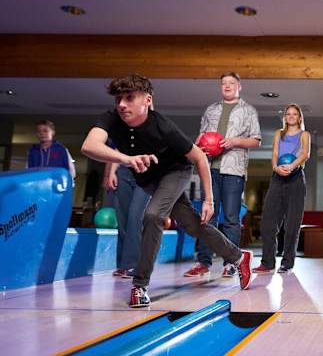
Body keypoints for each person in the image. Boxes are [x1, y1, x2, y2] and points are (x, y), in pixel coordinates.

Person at [81, 74, 252, 308]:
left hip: (175, 173)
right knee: (192, 225)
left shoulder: (162, 125)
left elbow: (200, 157)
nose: (121, 104)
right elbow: (89, 146)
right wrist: (126, 159)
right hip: (149, 180)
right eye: (118, 99)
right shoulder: (111, 118)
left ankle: (139, 285)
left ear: (147, 100)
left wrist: (209, 200)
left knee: (153, 215)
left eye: (129, 98)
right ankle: (238, 256)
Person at [184, 72, 261, 278]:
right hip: (209, 169)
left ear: (239, 86)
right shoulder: (211, 110)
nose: (227, 86)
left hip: (234, 170)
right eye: (223, 83)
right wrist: (201, 145)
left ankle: (231, 262)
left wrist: (235, 141)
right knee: (207, 215)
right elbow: (201, 137)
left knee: (231, 219)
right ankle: (203, 262)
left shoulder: (248, 111)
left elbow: (256, 140)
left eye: (231, 83)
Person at [254, 104, 311, 274]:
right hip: (277, 177)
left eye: (295, 114)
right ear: (285, 117)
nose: (291, 116)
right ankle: (267, 263)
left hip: (295, 178)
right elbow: (274, 153)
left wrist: (292, 166)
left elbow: (305, 154)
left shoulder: (304, 134)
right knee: (268, 224)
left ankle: (287, 263)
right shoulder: (279, 133)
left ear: (299, 118)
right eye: (288, 114)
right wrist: (275, 168)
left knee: (292, 225)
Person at [103, 160, 151, 279]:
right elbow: (118, 150)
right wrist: (112, 172)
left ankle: (133, 265)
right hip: (123, 172)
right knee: (122, 219)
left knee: (135, 217)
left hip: (146, 173)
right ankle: (123, 265)